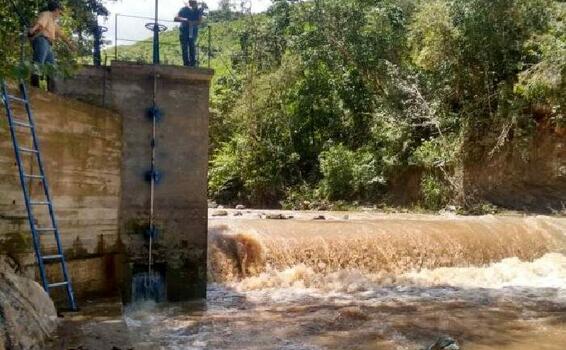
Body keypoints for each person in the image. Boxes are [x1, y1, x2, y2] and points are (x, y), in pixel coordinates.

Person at [28, 0, 76, 88]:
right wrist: (33, 29)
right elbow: (40, 23)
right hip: (42, 40)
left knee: (51, 67)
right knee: (38, 64)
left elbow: (62, 35)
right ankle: (34, 88)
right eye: (59, 11)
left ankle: (51, 91)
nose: (59, 14)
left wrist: (70, 45)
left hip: (48, 44)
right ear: (56, 10)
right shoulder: (46, 14)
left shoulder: (53, 22)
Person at [175, 1, 204, 67]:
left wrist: (192, 23)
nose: (193, 5)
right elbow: (176, 18)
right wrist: (185, 20)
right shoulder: (184, 9)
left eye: (194, 3)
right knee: (184, 48)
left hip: (193, 31)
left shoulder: (198, 10)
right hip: (184, 31)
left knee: (192, 47)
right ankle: (186, 64)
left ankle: (193, 64)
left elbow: (200, 21)